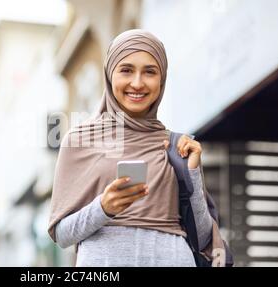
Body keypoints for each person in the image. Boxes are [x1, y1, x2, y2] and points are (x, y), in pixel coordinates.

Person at [48, 30, 215, 267]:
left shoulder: (176, 145)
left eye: (150, 72)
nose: (137, 83)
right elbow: (62, 235)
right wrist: (103, 208)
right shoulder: (79, 140)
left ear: (162, 79)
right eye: (126, 70)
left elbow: (204, 235)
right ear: (109, 74)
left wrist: (193, 173)